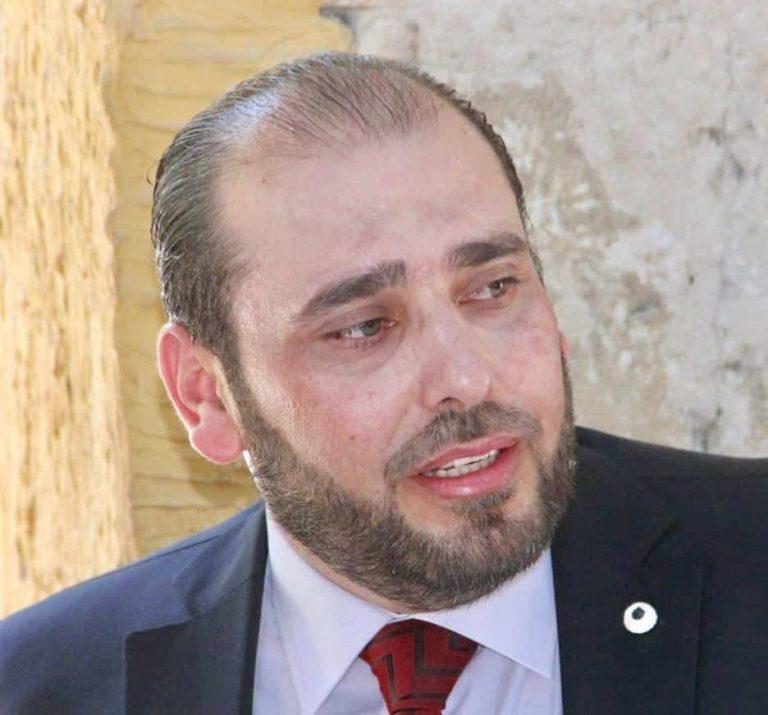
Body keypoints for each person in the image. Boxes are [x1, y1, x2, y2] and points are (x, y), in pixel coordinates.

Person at [1, 51, 766, 715]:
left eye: (493, 287)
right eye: (364, 327)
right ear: (206, 393)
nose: (465, 377)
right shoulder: (39, 687)